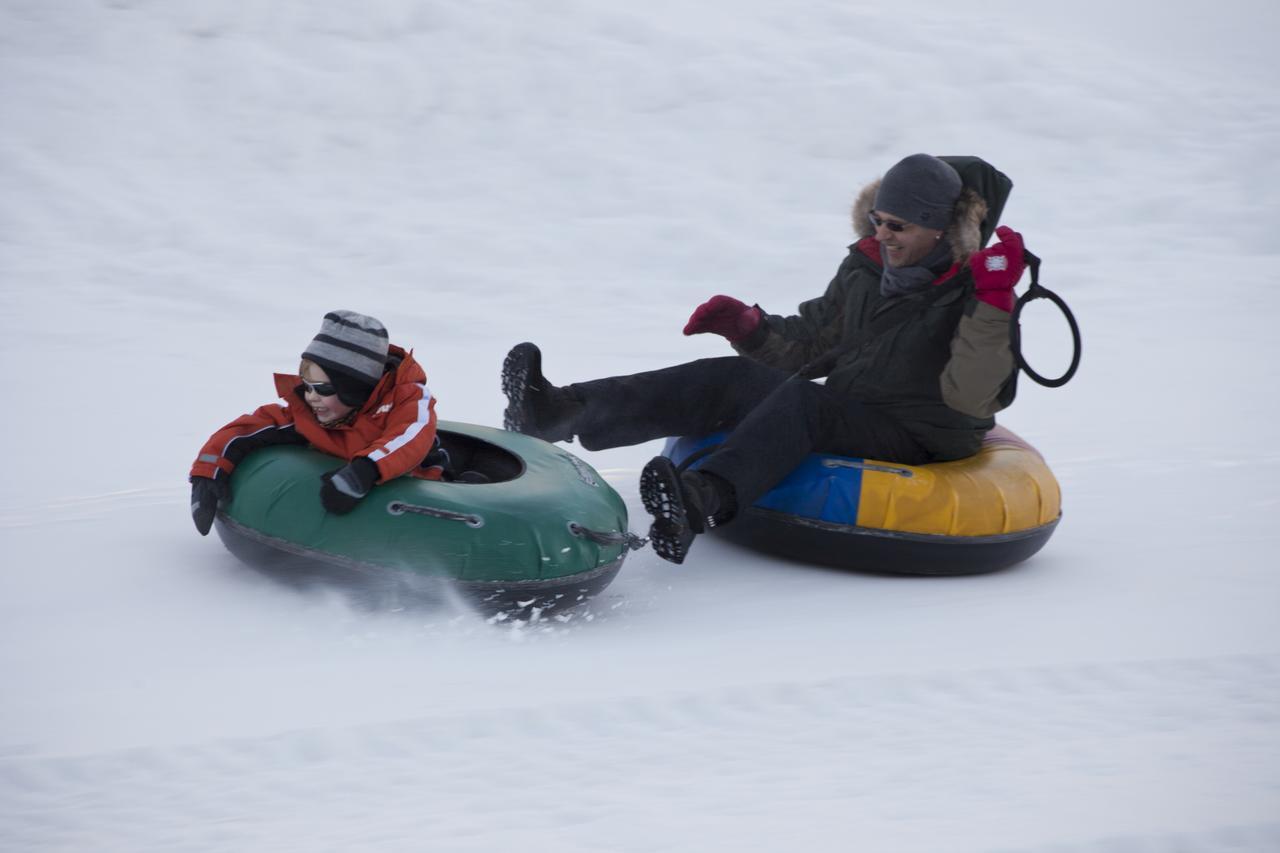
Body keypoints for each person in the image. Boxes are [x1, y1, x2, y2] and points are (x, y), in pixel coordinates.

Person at [501, 154, 1030, 565]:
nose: (882, 236)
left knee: (803, 404)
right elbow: (815, 342)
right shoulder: (869, 268)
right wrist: (750, 330)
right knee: (733, 377)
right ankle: (556, 411)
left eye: (899, 227)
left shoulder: (978, 291)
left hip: (921, 431)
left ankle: (699, 499)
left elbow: (971, 394)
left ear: (939, 228)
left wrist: (993, 302)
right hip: (856, 404)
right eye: (878, 220)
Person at [189, 310, 440, 536]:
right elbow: (247, 429)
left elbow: (411, 434)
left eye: (322, 388)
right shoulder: (309, 414)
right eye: (307, 386)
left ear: (352, 387)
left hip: (421, 488)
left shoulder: (407, 402)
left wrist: (365, 470)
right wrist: (206, 472)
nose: (311, 397)